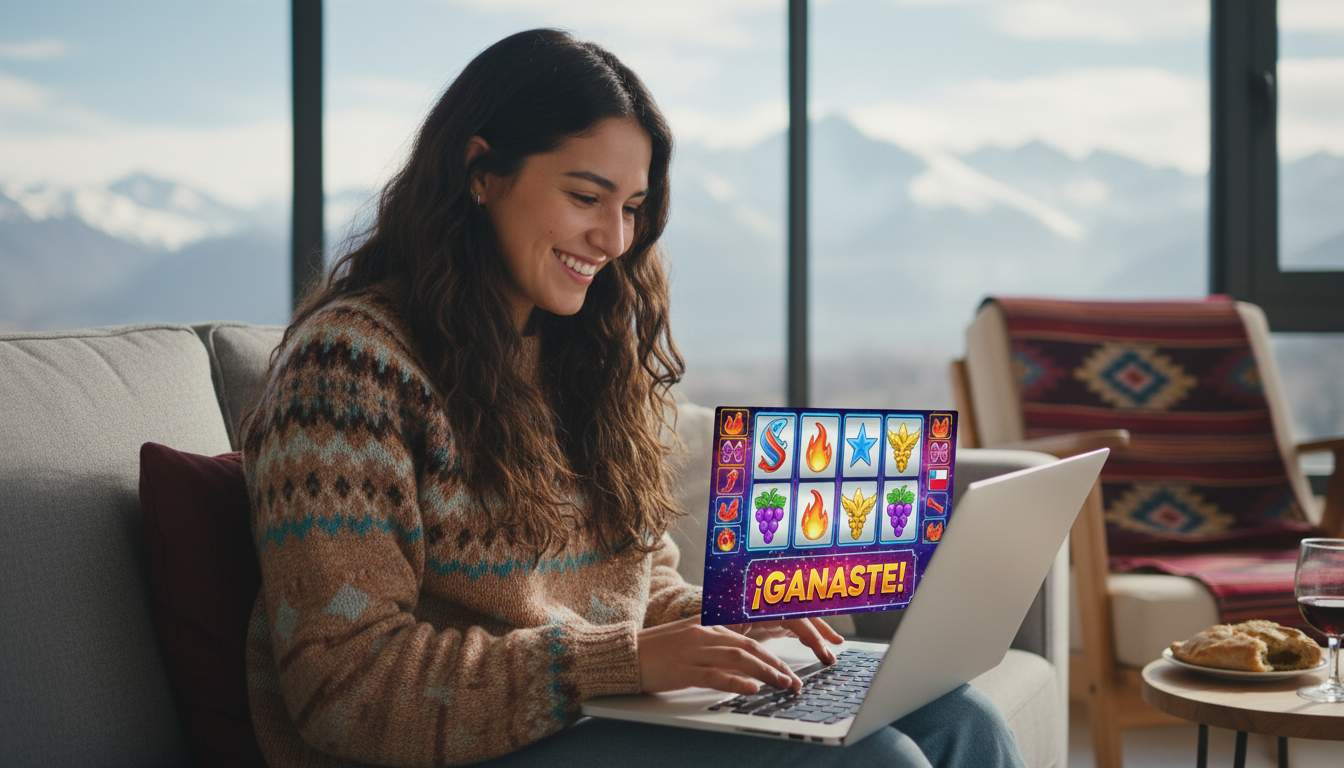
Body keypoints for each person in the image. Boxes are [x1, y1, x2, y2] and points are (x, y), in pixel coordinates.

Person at [240, 27, 1025, 767]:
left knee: (963, 719)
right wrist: (619, 662)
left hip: (585, 716)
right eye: (587, 197)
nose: (615, 240)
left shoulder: (582, 357)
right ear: (481, 172)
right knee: (876, 761)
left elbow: (633, 594)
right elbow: (344, 687)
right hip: (454, 749)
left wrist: (726, 626)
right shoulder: (348, 370)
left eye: (632, 208)